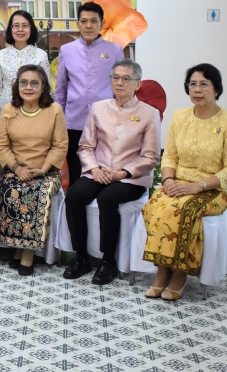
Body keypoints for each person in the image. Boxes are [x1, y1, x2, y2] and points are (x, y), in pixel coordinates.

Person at [142, 63, 227, 300]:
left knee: (185, 209)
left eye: (204, 84)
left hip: (215, 188)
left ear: (216, 89)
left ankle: (180, 273)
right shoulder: (180, 117)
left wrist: (199, 186)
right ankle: (162, 270)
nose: (197, 89)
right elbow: (170, 155)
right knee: (157, 204)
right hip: (178, 182)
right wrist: (167, 180)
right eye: (193, 84)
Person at [63, 59, 161, 284]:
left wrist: (124, 173)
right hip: (98, 172)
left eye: (126, 78)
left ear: (138, 84)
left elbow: (151, 156)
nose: (120, 83)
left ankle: (108, 261)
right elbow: (86, 146)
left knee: (108, 199)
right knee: (75, 196)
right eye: (115, 78)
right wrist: (94, 169)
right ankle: (81, 257)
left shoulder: (149, 113)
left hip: (130, 179)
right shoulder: (99, 108)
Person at [0, 64, 68, 275]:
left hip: (46, 171)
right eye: (24, 82)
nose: (28, 87)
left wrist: (43, 169)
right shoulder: (8, 110)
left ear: (43, 87)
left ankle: (27, 252)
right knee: (10, 191)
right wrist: (16, 168)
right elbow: (1, 145)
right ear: (17, 86)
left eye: (34, 83)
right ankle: (18, 245)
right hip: (15, 169)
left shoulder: (54, 110)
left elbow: (60, 145)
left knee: (35, 194)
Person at [55, 2, 124, 189]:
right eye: (84, 21)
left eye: (94, 21)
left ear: (102, 24)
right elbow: (60, 89)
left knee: (104, 171)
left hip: (106, 122)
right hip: (74, 122)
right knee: (77, 174)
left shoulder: (115, 50)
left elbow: (122, 86)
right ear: (77, 24)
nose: (88, 25)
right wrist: (59, 118)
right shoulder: (67, 50)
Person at [0, 10, 50, 128]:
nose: (20, 29)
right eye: (16, 25)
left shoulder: (40, 55)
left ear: (31, 29)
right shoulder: (0, 55)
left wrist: (47, 113)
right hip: (5, 110)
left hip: (34, 111)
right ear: (11, 29)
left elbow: (46, 89)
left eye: (25, 25)